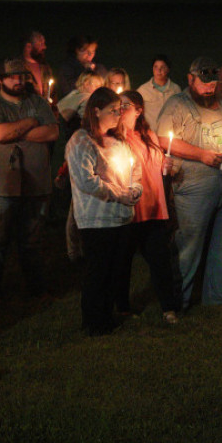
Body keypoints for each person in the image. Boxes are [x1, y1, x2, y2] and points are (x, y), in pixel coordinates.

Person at [156, 56, 222, 307]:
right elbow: (163, 139)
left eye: (213, 82)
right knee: (189, 245)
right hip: (194, 186)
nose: (209, 87)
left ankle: (217, 295)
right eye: (203, 82)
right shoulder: (177, 105)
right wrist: (202, 154)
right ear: (190, 79)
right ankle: (179, 300)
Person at [0, 59, 59, 304]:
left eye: (22, 76)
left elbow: (53, 132)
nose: (18, 80)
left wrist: (15, 130)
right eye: (12, 76)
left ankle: (37, 288)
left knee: (32, 241)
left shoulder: (38, 103)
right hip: (0, 184)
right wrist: (31, 123)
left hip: (36, 183)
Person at [66, 88, 142, 335]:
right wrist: (120, 194)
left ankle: (107, 317)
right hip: (96, 219)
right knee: (98, 272)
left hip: (120, 217)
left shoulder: (117, 141)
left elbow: (134, 170)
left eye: (120, 110)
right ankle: (94, 321)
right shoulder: (81, 141)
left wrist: (135, 188)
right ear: (95, 111)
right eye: (113, 110)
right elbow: (87, 182)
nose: (118, 115)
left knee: (114, 271)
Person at [118, 90, 182, 323]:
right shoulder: (115, 138)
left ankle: (169, 307)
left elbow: (157, 165)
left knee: (160, 260)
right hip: (131, 210)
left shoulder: (149, 135)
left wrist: (167, 165)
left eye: (126, 105)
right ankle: (122, 307)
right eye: (118, 106)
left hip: (154, 208)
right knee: (123, 262)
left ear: (138, 110)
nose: (121, 110)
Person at [136, 54, 181, 126]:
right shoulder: (143, 90)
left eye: (162, 67)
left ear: (168, 69)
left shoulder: (175, 90)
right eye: (156, 67)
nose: (159, 70)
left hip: (169, 132)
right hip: (150, 133)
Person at [21, 30, 54, 100]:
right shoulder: (19, 68)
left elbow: (52, 94)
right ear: (28, 46)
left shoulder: (45, 68)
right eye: (41, 44)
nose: (45, 47)